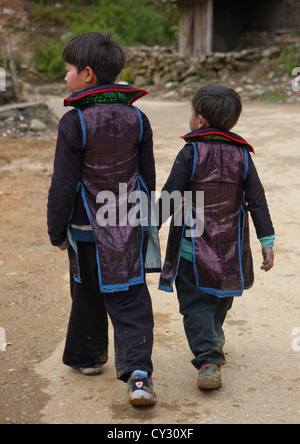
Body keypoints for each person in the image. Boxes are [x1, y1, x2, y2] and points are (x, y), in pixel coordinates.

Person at [47, 32, 160, 406]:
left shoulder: (74, 122)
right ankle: (139, 374)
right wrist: (147, 224)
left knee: (87, 290)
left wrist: (56, 229)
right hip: (127, 228)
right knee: (129, 294)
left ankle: (88, 357)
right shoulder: (138, 119)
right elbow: (147, 179)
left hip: (84, 228)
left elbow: (63, 184)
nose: (65, 78)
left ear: (88, 74)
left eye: (68, 70)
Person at [158, 84, 275, 390]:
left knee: (196, 302)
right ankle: (211, 342)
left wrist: (148, 226)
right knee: (219, 298)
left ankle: (209, 358)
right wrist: (267, 242)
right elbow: (257, 201)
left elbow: (170, 196)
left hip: (191, 249)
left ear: (200, 121)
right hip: (230, 251)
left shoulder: (191, 152)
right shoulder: (242, 156)